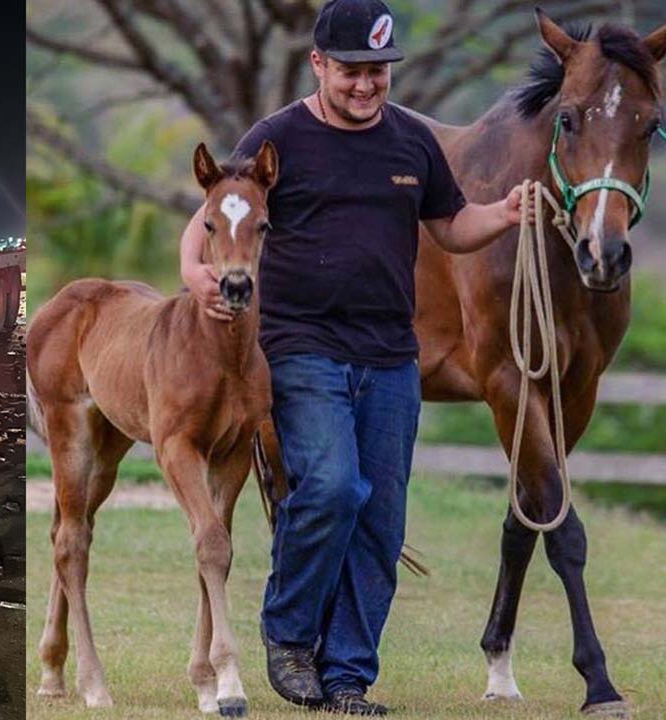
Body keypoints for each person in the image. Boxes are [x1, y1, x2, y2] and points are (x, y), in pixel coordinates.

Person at [179, 0, 529, 714]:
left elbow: (452, 225)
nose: (366, 85)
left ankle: (346, 678)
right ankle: (290, 636)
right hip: (301, 346)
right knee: (334, 488)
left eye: (377, 71)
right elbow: (212, 213)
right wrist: (196, 277)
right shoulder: (278, 137)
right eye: (350, 71)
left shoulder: (412, 143)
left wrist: (505, 214)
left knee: (381, 521)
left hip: (393, 355)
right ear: (319, 64)